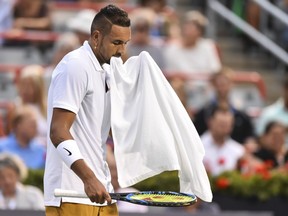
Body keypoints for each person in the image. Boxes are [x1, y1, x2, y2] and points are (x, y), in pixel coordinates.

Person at [44, 4, 131, 216]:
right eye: (116, 43)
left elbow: (106, 130)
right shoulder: (75, 65)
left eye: (125, 43)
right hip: (71, 193)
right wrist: (89, 178)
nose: (122, 51)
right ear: (96, 37)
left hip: (102, 193)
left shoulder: (108, 71)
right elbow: (58, 131)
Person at [193, 68, 255, 144]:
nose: (222, 88)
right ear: (213, 85)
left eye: (225, 84)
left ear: (232, 84)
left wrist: (249, 143)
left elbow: (249, 135)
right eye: (219, 84)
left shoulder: (240, 113)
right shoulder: (204, 113)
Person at [201, 106, 245, 177]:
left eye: (227, 124)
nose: (224, 128)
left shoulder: (238, 151)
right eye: (221, 124)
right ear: (210, 122)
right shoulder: (198, 147)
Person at [0, 105, 46, 169]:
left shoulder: (41, 151)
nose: (36, 129)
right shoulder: (2, 148)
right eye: (32, 125)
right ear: (18, 125)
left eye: (36, 125)